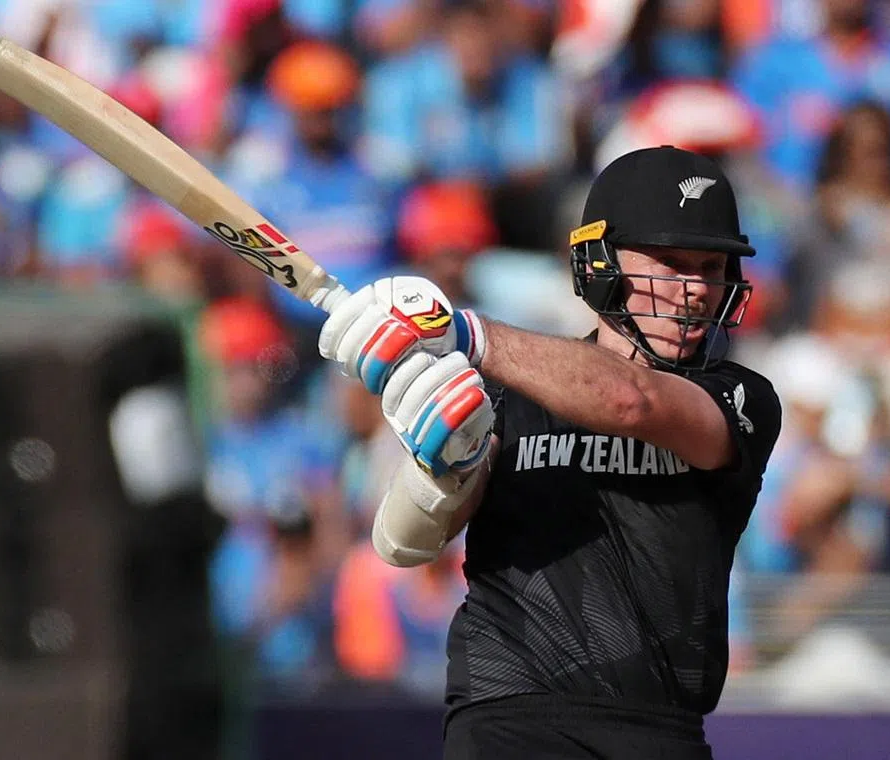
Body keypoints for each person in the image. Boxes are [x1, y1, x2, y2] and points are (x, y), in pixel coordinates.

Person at [317, 146, 782, 758]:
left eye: (711, 266)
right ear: (600, 263)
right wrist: (445, 466)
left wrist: (462, 332)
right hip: (507, 717)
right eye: (670, 264)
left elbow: (630, 400)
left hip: (657, 730)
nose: (695, 289)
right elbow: (403, 543)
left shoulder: (740, 399)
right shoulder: (512, 389)